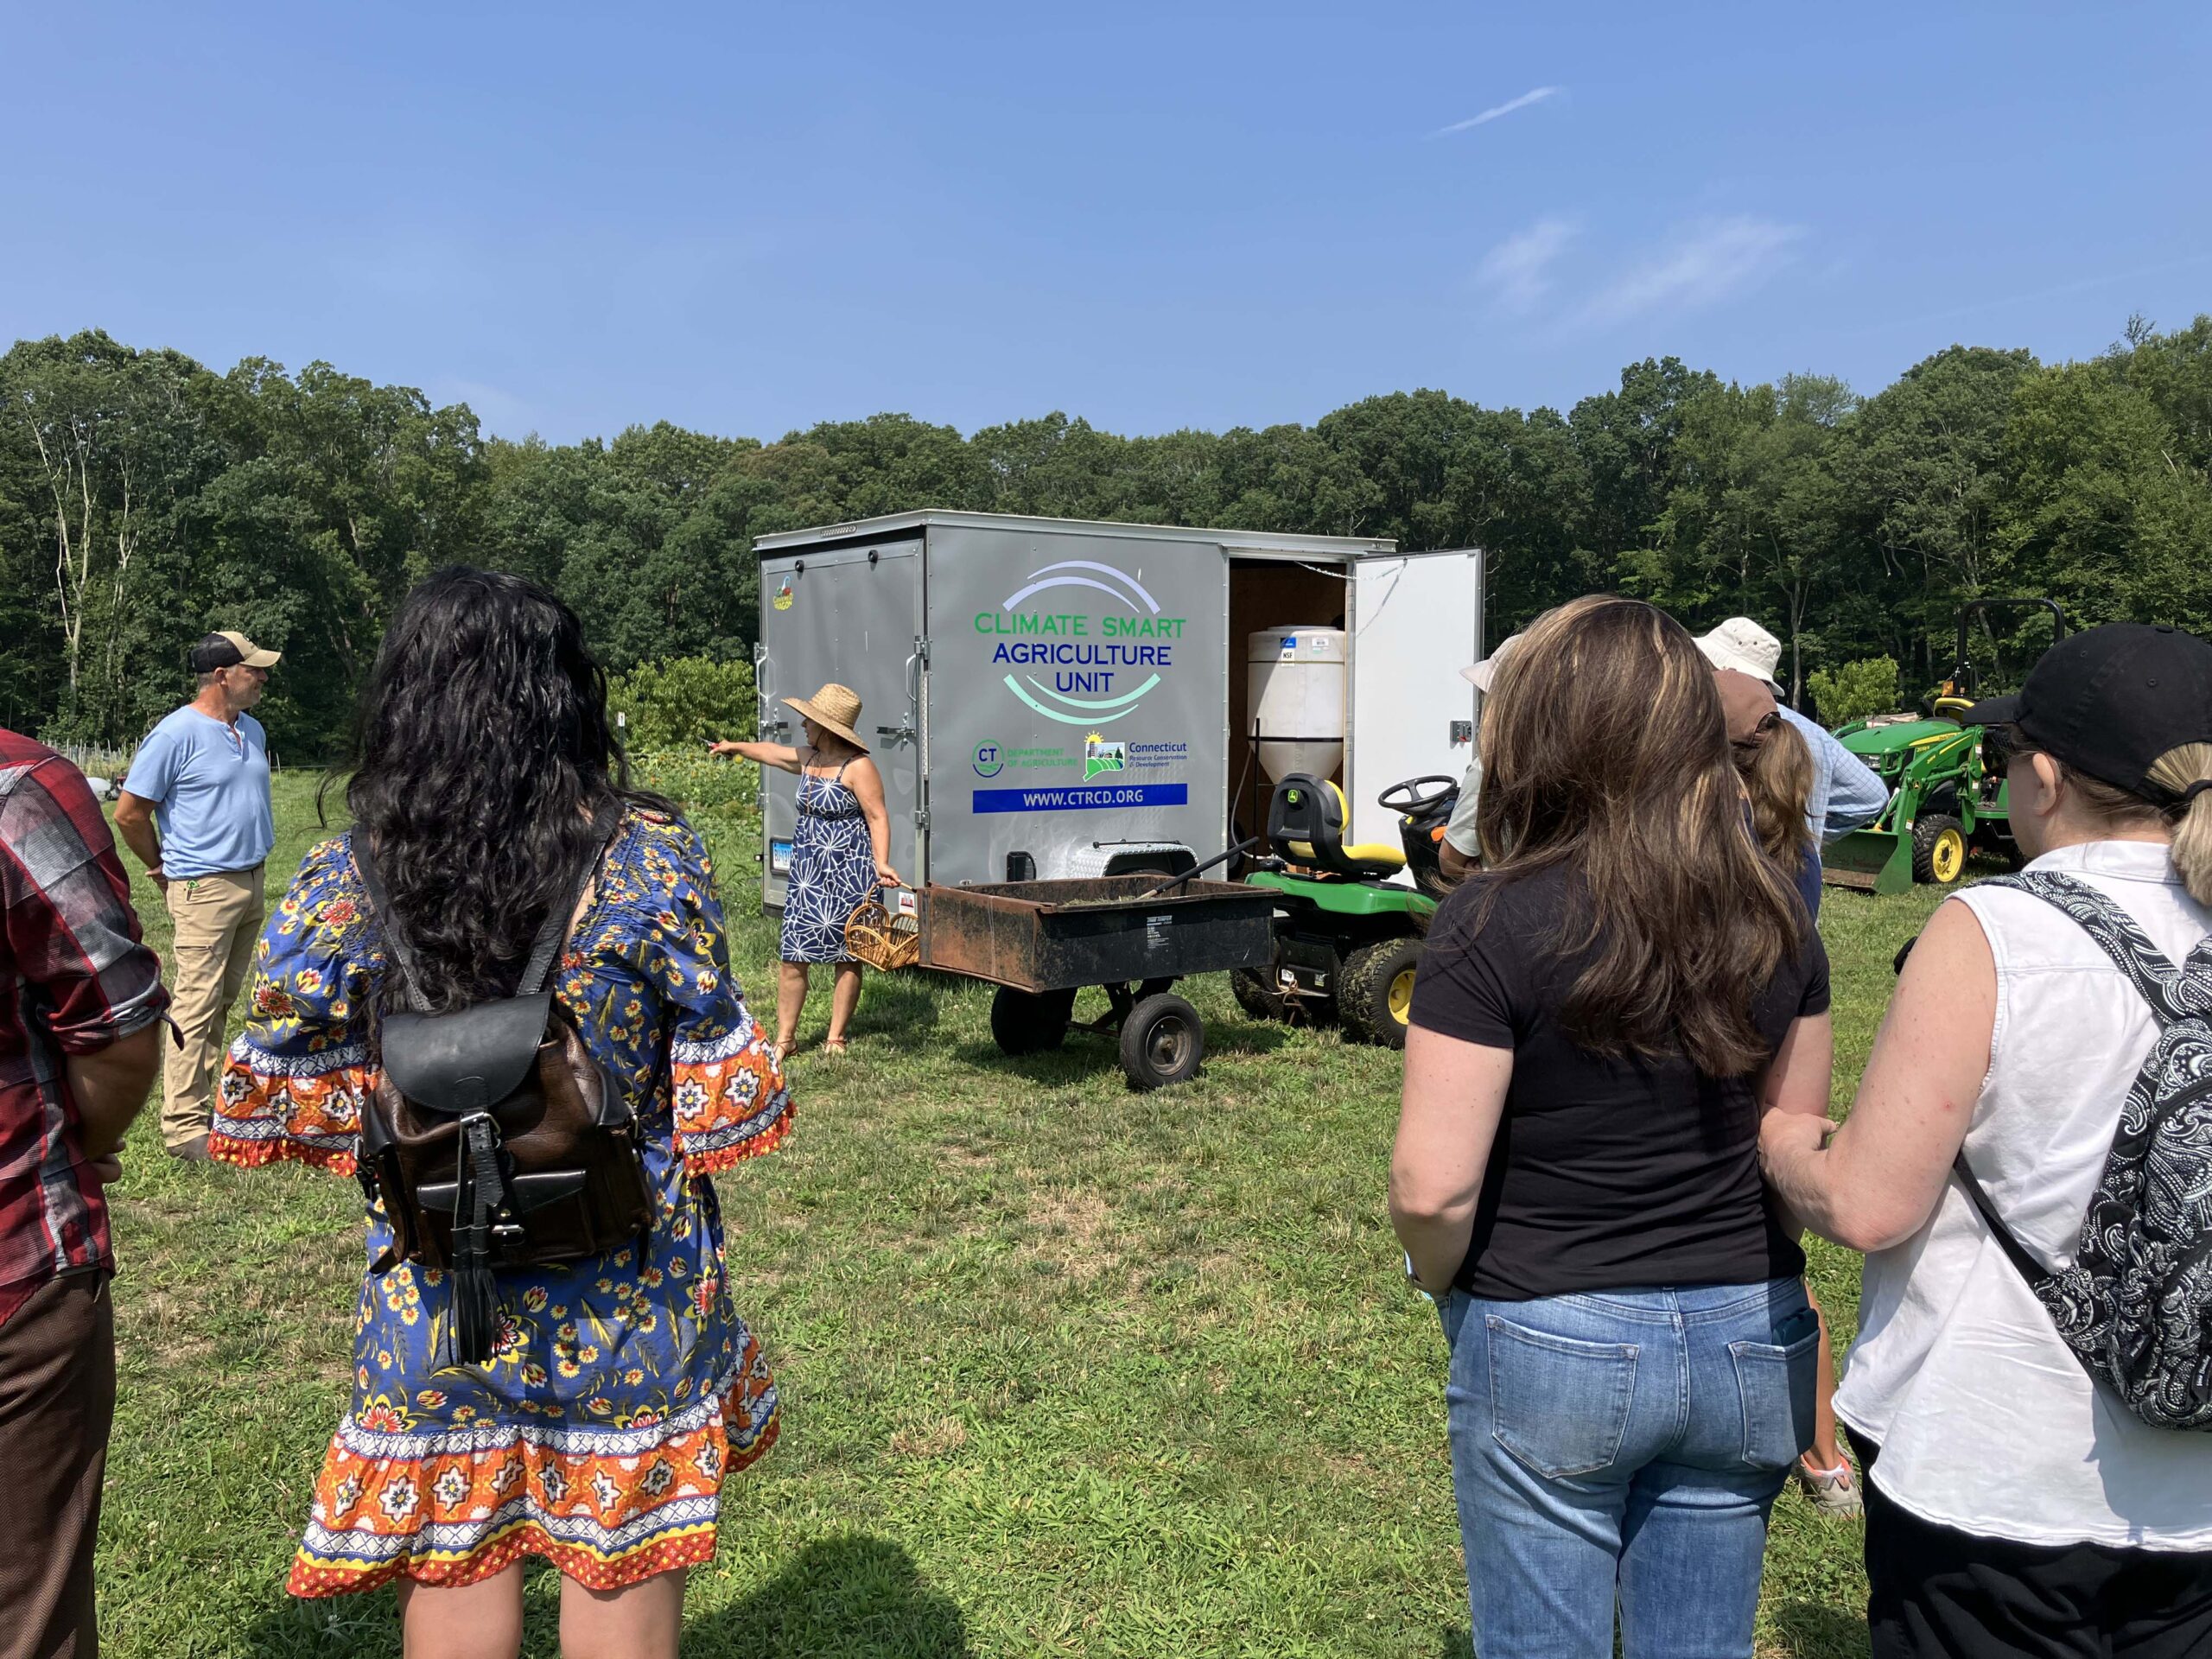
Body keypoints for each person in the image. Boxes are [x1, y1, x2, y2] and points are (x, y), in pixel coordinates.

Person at [211, 570, 791, 1659]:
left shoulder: (344, 876)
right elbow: (726, 1106)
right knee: (619, 1566)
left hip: (436, 1288)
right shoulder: (648, 858)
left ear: (405, 699)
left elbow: (292, 1096)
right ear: (565, 695)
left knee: (455, 1559)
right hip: (630, 1283)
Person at [1391, 595, 1832, 1658]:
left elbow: (1431, 1190)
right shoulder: (1778, 911)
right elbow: (1791, 1136)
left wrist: (1443, 1285)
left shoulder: (1487, 920)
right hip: (1747, 1332)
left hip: (1550, 1325)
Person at [1762, 621, 2212, 1658]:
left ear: (2043, 779)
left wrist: (1782, 1140)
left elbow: (1868, 1203)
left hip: (2000, 1475)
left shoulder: (1997, 928)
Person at [0, 728, 168, 1659]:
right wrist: (83, 1144)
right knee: (26, 1611)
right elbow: (115, 1027)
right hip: (14, 1259)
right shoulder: (15, 788)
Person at [114, 630, 281, 1161]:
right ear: (222, 676)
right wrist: (161, 867)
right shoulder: (174, 735)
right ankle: (183, 1127)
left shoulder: (250, 728)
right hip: (203, 887)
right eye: (254, 669)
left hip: (251, 881)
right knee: (196, 1001)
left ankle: (204, 1106)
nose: (263, 677)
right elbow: (129, 813)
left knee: (224, 1000)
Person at [709, 683, 900, 1060]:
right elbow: (770, 752)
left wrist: (882, 862)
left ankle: (836, 1038)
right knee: (793, 953)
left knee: (848, 954)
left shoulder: (859, 767)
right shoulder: (809, 758)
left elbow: (877, 816)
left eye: (809, 721)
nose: (803, 725)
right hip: (808, 874)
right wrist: (735, 747)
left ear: (826, 728)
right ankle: (786, 1039)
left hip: (850, 872)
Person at [1696, 615, 1888, 844]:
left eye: (1706, 663)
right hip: (1799, 863)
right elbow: (1872, 796)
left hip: (1743, 863)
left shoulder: (1722, 729)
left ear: (1729, 670)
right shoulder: (1813, 733)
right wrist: (1810, 835)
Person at [1438, 634, 1521, 883]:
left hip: (1503, 895)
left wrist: (1471, 872)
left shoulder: (1492, 767)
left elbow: (1450, 862)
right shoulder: (1579, 761)